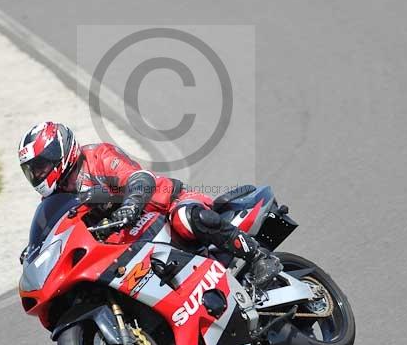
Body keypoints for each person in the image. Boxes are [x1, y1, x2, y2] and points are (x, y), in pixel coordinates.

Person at [18, 121, 280, 288]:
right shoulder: (56, 197)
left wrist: (131, 204)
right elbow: (57, 227)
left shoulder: (97, 156)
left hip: (166, 206)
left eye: (40, 166)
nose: (38, 175)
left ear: (59, 154)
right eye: (32, 171)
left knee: (186, 218)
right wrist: (35, 250)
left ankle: (258, 257)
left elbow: (139, 178)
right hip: (131, 238)